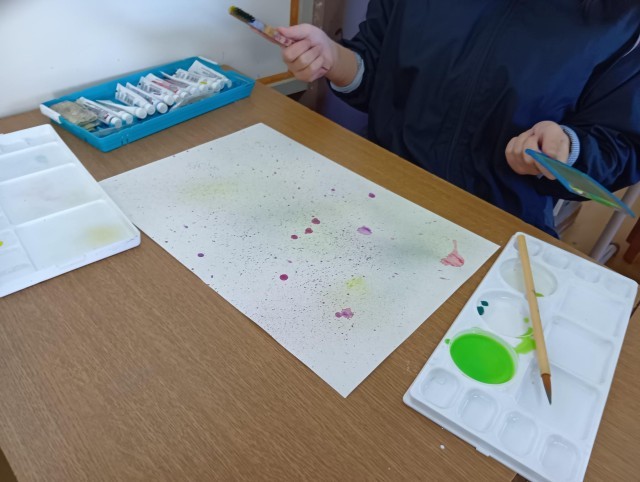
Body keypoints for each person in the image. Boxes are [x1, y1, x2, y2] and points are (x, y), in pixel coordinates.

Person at [276, 0, 640, 236]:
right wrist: (331, 57)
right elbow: (376, 73)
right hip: (379, 187)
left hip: (496, 223)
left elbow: (622, 147)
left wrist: (567, 149)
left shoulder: (623, 20)